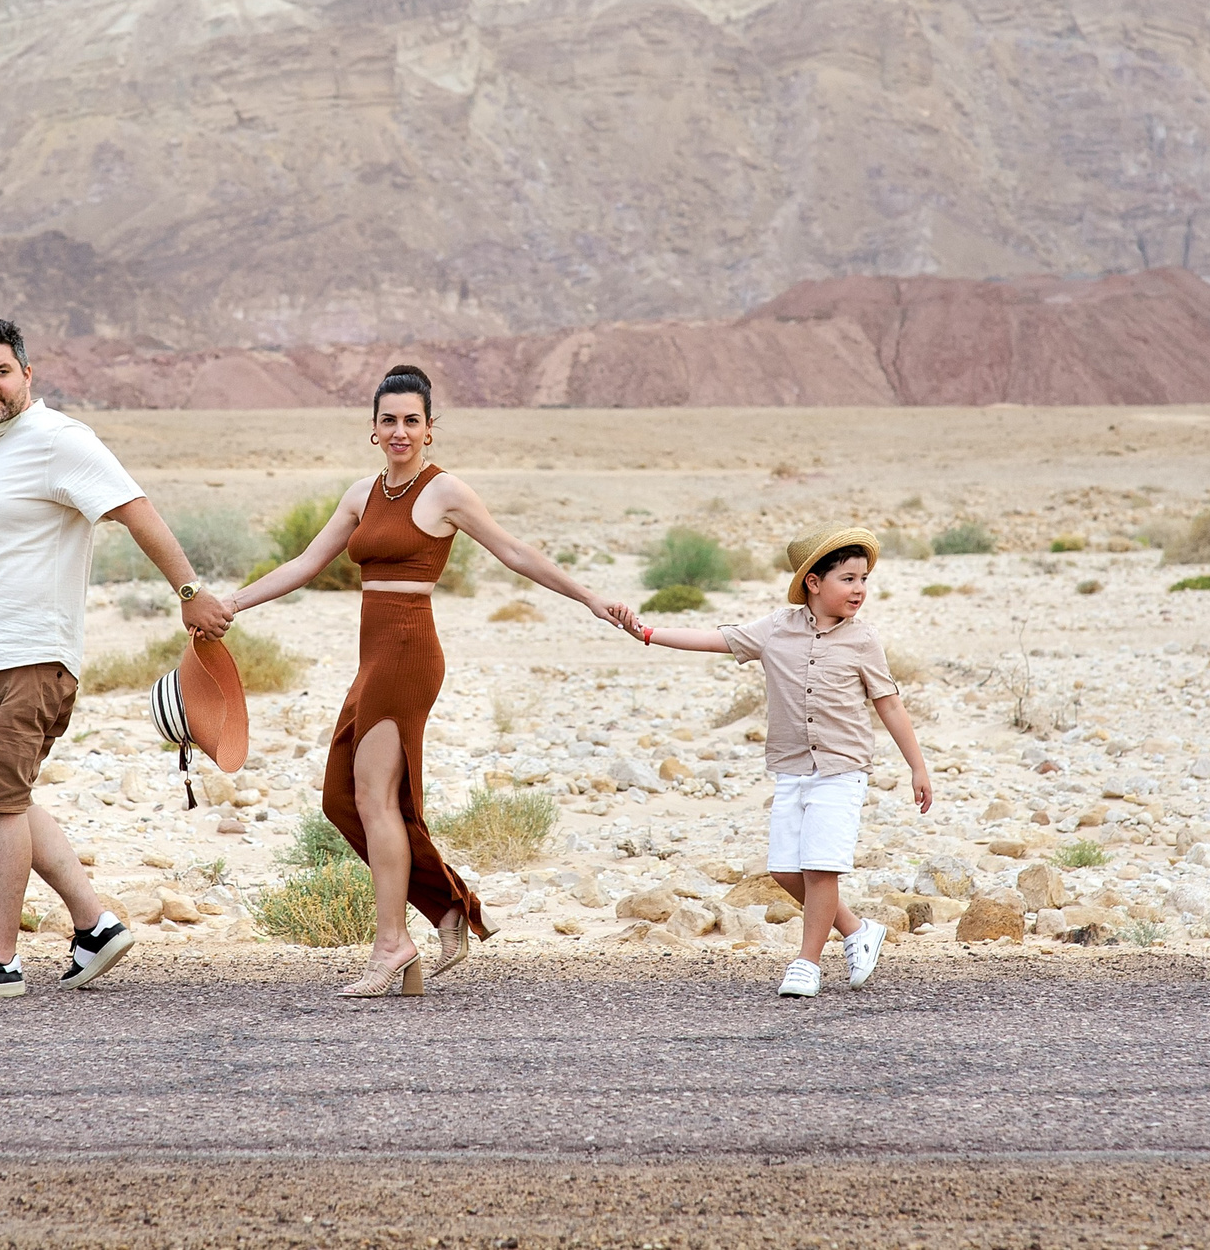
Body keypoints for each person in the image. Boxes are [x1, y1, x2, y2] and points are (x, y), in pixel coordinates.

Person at [223, 364, 636, 997]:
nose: (399, 431)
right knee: (343, 800)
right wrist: (230, 605)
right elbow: (306, 564)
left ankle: (392, 944)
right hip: (373, 655)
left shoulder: (446, 493)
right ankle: (445, 909)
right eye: (388, 420)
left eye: (411, 420)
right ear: (373, 429)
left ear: (430, 429)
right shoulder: (361, 494)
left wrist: (589, 597)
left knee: (375, 797)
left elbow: (516, 553)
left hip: (410, 653)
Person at [0, 318, 233, 1001]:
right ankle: (94, 925)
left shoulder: (59, 441)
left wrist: (189, 592)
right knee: (2, 797)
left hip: (29, 655)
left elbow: (134, 508)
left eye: (1, 371)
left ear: (28, 373)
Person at [628, 525, 932, 998]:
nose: (860, 590)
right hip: (792, 768)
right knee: (783, 870)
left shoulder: (863, 640)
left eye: (864, 579)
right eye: (848, 579)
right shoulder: (774, 630)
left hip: (842, 768)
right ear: (814, 582)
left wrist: (918, 766)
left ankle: (806, 963)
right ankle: (856, 930)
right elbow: (714, 638)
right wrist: (646, 631)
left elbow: (888, 703)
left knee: (820, 867)